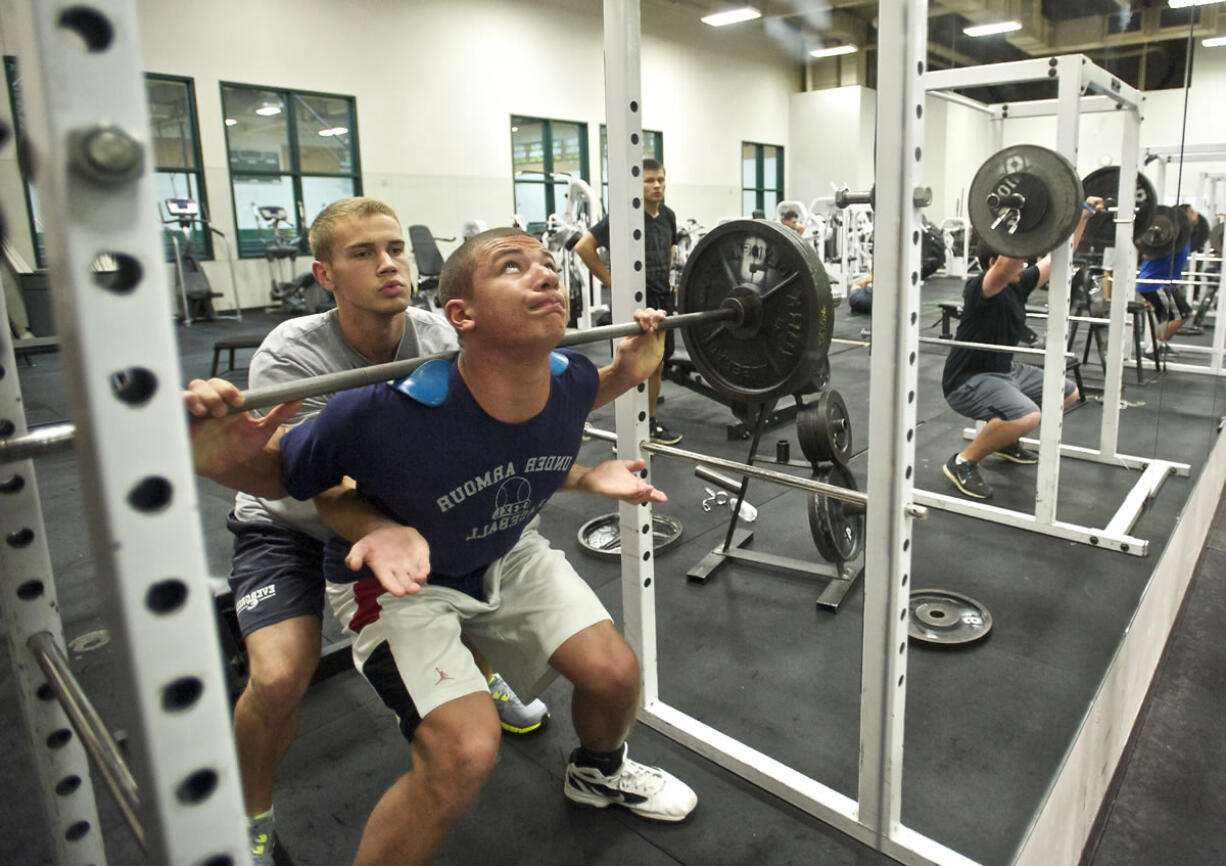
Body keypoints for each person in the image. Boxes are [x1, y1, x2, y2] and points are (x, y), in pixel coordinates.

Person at [188, 226, 697, 866]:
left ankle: (598, 769)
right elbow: (288, 479)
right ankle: (248, 812)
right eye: (513, 267)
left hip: (503, 549)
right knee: (464, 751)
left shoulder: (567, 381)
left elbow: (557, 417)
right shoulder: (383, 410)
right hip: (400, 583)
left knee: (617, 676)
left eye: (546, 264)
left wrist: (627, 376)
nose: (544, 274)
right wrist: (221, 461)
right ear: (462, 315)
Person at [940, 197, 1101, 500]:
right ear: (993, 263)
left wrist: (1082, 217)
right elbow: (1008, 262)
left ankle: (1004, 440)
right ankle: (963, 462)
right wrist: (1022, 221)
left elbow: (1058, 259)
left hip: (1005, 371)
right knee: (1027, 417)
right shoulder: (981, 288)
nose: (1025, 263)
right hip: (968, 380)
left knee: (1067, 393)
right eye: (1019, 259)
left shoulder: (1019, 283)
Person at [573, 157, 682, 445]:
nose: (656, 185)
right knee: (629, 365)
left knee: (657, 362)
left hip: (661, 297)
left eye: (660, 179)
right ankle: (627, 431)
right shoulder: (623, 217)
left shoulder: (668, 215)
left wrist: (667, 280)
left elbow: (669, 250)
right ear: (638, 184)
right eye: (649, 180)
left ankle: (651, 423)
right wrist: (613, 284)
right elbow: (584, 248)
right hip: (634, 302)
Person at [1136, 204, 1197, 352]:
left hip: (1162, 283)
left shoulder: (1181, 234)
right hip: (1156, 283)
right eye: (1193, 212)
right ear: (1185, 214)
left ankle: (1160, 345)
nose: (1197, 215)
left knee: (1167, 317)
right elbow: (1147, 255)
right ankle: (1154, 349)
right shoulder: (1169, 234)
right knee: (1181, 315)